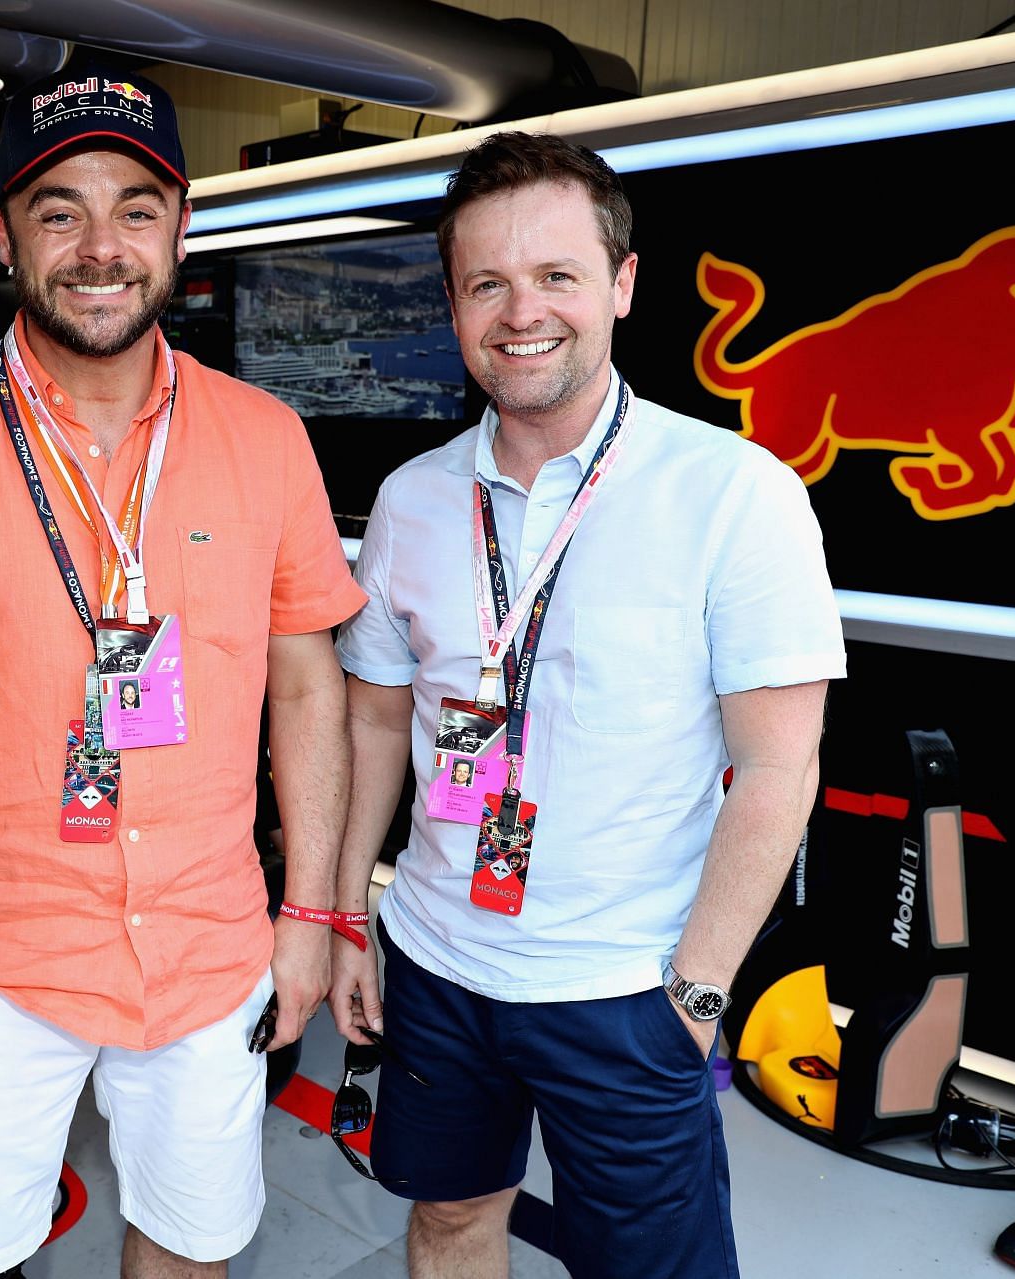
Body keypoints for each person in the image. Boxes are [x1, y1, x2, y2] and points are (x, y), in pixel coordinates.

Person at [0, 64, 365, 1279]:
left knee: (192, 1250)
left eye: (134, 209)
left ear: (181, 230)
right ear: (4, 237)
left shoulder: (268, 440)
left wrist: (309, 913)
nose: (100, 247)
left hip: (210, 950)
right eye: (59, 211)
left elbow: (308, 689)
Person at [329, 132, 844, 1279]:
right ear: (456, 306)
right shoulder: (411, 502)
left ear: (620, 284)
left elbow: (778, 769)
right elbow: (372, 719)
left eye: (557, 275)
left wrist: (696, 996)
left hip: (625, 988)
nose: (522, 312)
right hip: (435, 957)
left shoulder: (734, 493)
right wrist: (345, 911)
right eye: (487, 283)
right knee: (452, 1222)